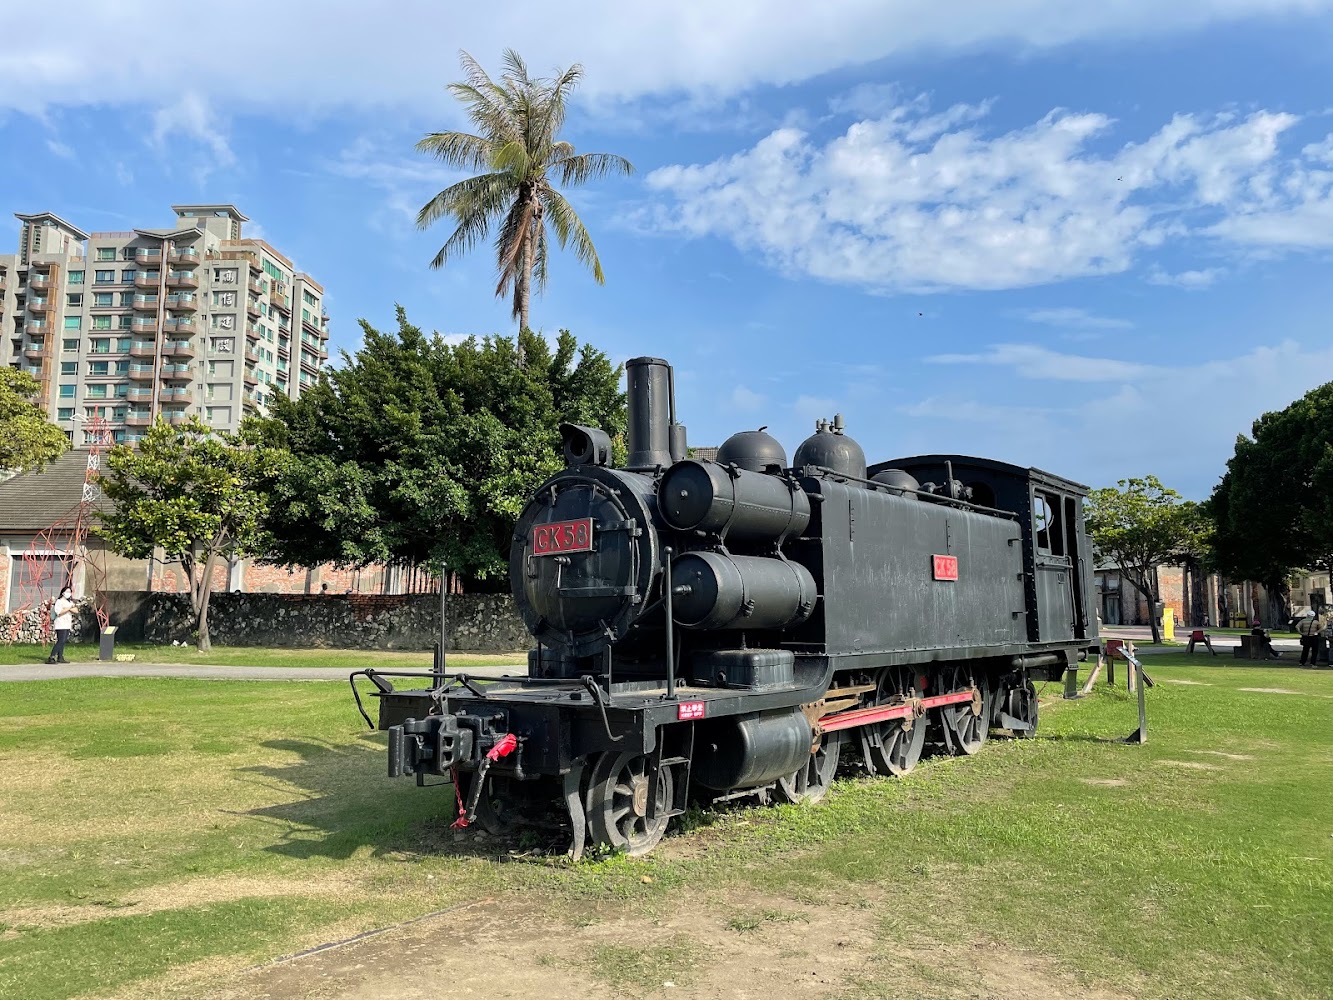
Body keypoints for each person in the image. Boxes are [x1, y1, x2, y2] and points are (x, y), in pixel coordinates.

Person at [45, 587, 76, 664]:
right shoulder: (59, 602)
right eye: (67, 591)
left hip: (67, 624)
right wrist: (69, 608)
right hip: (60, 624)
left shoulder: (70, 602)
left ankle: (60, 656)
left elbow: (76, 610)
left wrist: (67, 608)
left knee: (63, 641)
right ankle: (51, 656)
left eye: (70, 592)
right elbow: (59, 612)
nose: (69, 593)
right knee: (60, 640)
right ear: (63, 592)